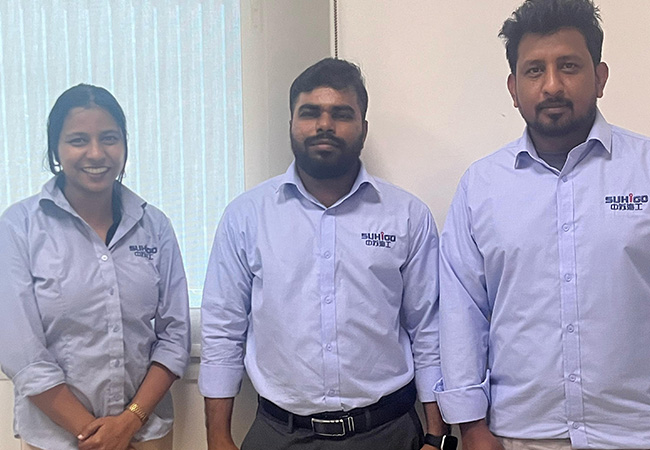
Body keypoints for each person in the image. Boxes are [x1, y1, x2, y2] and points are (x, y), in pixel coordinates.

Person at [200, 58, 449, 450]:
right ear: (292, 123)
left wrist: (437, 436)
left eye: (342, 114)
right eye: (310, 112)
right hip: (279, 435)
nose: (325, 125)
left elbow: (428, 330)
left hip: (388, 433)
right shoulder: (246, 217)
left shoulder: (406, 215)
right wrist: (217, 436)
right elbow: (222, 330)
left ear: (363, 127)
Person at [435, 0, 650, 449]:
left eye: (569, 66)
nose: (552, 85)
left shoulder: (644, 169)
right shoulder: (481, 186)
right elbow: (462, 312)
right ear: (513, 88)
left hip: (635, 430)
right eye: (534, 70)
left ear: (600, 77)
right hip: (520, 435)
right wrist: (471, 426)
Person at [0, 84, 191, 450]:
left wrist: (128, 422)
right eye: (78, 140)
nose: (96, 153)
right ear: (55, 149)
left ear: (124, 144)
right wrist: (96, 434)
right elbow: (22, 354)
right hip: (57, 438)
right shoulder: (19, 227)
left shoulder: (154, 226)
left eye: (109, 138)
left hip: (144, 433)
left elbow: (174, 336)